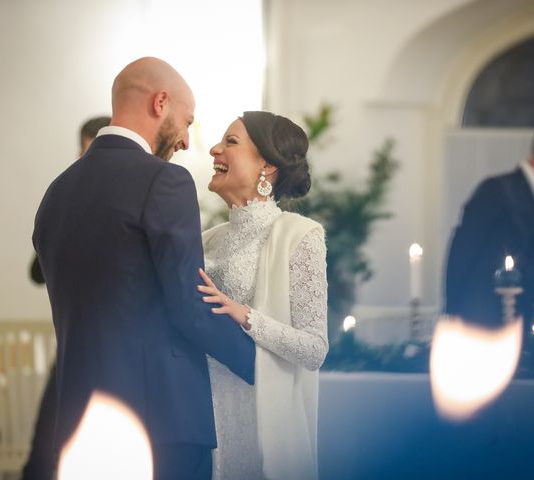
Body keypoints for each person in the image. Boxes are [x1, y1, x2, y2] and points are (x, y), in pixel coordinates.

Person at [32, 57, 255, 480]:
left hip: (79, 423)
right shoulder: (164, 181)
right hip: (160, 422)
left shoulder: (55, 194)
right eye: (187, 121)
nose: (188, 141)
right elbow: (190, 305)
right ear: (160, 102)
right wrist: (263, 366)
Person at [198, 111, 329, 479]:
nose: (214, 150)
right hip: (205, 414)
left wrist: (245, 315)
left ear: (267, 166)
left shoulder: (300, 235)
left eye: (230, 143)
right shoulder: (208, 239)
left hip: (262, 418)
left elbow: (314, 349)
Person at [22, 114, 110, 480]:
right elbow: (36, 271)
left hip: (113, 351)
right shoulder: (69, 197)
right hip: (73, 347)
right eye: (82, 151)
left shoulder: (129, 201)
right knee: (45, 451)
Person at [445, 119, 534, 328]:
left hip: (525, 325)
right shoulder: (497, 190)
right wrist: (451, 312)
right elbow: (462, 251)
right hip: (481, 322)